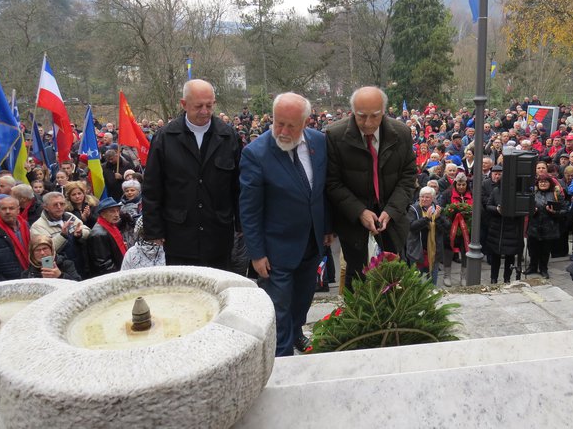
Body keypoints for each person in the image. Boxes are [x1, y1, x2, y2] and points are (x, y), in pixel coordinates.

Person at [240, 93, 330, 356]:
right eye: (279, 123)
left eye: (291, 125)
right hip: (275, 249)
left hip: (311, 242)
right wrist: (256, 253)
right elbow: (249, 209)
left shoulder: (319, 142)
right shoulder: (255, 154)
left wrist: (326, 228)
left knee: (302, 301)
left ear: (306, 122)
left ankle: (297, 332)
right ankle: (282, 360)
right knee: (278, 310)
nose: (283, 130)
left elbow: (323, 189)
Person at [142, 79, 241, 268]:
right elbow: (152, 187)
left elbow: (238, 185)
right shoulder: (165, 138)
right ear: (184, 104)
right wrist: (154, 230)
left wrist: (242, 226)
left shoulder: (229, 137)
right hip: (179, 234)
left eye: (209, 105)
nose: (204, 111)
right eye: (198, 106)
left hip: (218, 232)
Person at [325, 86, 416, 291]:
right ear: (352, 112)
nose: (367, 123)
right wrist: (359, 212)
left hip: (391, 221)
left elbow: (408, 176)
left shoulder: (401, 133)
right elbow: (332, 183)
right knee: (356, 278)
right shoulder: (335, 135)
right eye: (361, 116)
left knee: (393, 278)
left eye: (374, 116)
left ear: (384, 111)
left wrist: (391, 210)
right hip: (353, 223)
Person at [527, 175, 568, 278]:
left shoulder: (556, 194)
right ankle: (532, 267)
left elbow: (564, 210)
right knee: (532, 249)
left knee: (545, 251)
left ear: (550, 183)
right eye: (541, 182)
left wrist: (554, 212)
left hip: (550, 228)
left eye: (545, 182)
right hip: (534, 227)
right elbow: (526, 208)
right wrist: (532, 211)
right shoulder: (533, 194)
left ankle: (543, 269)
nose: (543, 183)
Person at [406, 186, 449, 285]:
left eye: (427, 197)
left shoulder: (438, 209)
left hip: (434, 251)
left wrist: (437, 218)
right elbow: (412, 227)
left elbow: (446, 228)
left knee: (432, 282)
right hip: (417, 251)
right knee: (416, 282)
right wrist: (426, 219)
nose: (424, 199)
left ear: (433, 198)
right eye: (422, 197)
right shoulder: (414, 209)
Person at [87, 197, 127, 276]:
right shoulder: (98, 234)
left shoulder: (111, 225)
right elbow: (104, 264)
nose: (116, 215)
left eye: (117, 211)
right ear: (103, 214)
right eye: (112, 211)